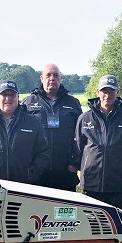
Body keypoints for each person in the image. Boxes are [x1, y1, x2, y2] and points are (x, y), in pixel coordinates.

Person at [74, 75, 122, 212]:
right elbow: (78, 148)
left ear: (118, 92)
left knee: (116, 228)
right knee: (90, 227)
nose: (107, 95)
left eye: (111, 91)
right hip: (91, 185)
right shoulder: (85, 118)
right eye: (104, 91)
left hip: (118, 185)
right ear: (97, 92)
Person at [20, 63, 82, 191]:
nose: (52, 78)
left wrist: (75, 163)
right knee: (35, 210)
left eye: (56, 75)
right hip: (36, 171)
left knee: (63, 210)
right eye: (48, 75)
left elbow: (81, 135)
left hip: (65, 171)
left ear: (61, 78)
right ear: (41, 78)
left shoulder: (73, 103)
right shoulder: (28, 103)